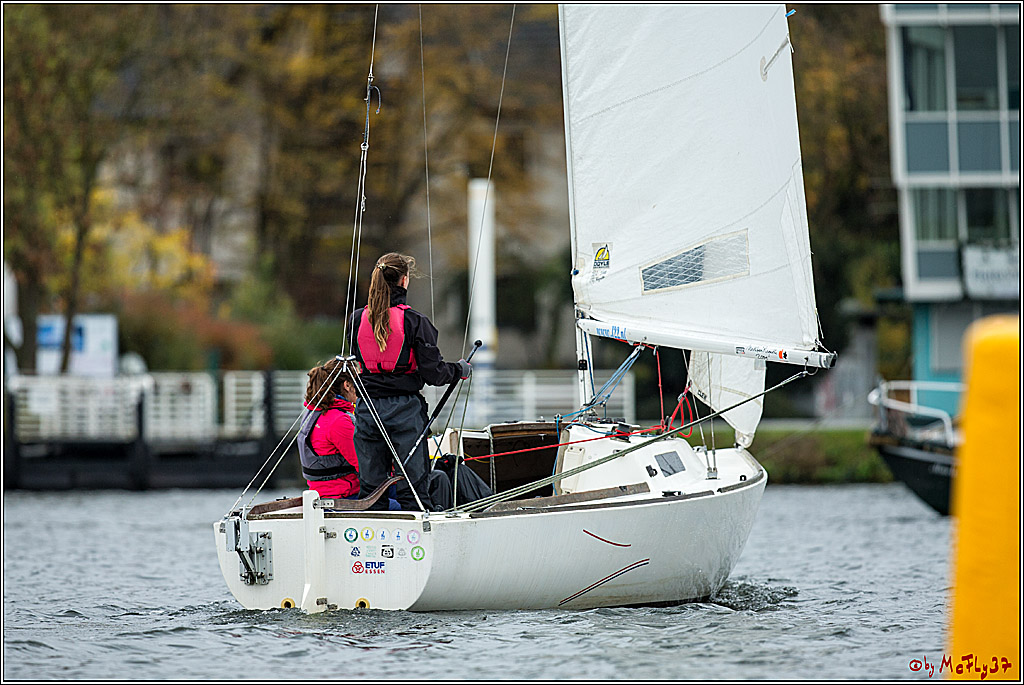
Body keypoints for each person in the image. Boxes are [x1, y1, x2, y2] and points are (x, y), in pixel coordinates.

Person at [349, 252, 471, 511]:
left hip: (367, 409)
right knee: (413, 487)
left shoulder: (357, 319)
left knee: (371, 488)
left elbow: (356, 362)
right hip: (404, 410)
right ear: (404, 281)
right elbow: (434, 374)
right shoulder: (415, 322)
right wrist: (459, 370)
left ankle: (372, 537)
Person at [298, 359, 362, 501]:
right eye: (359, 381)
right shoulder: (339, 421)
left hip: (322, 494)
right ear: (347, 385)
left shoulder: (313, 412)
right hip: (343, 497)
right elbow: (363, 464)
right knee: (403, 506)